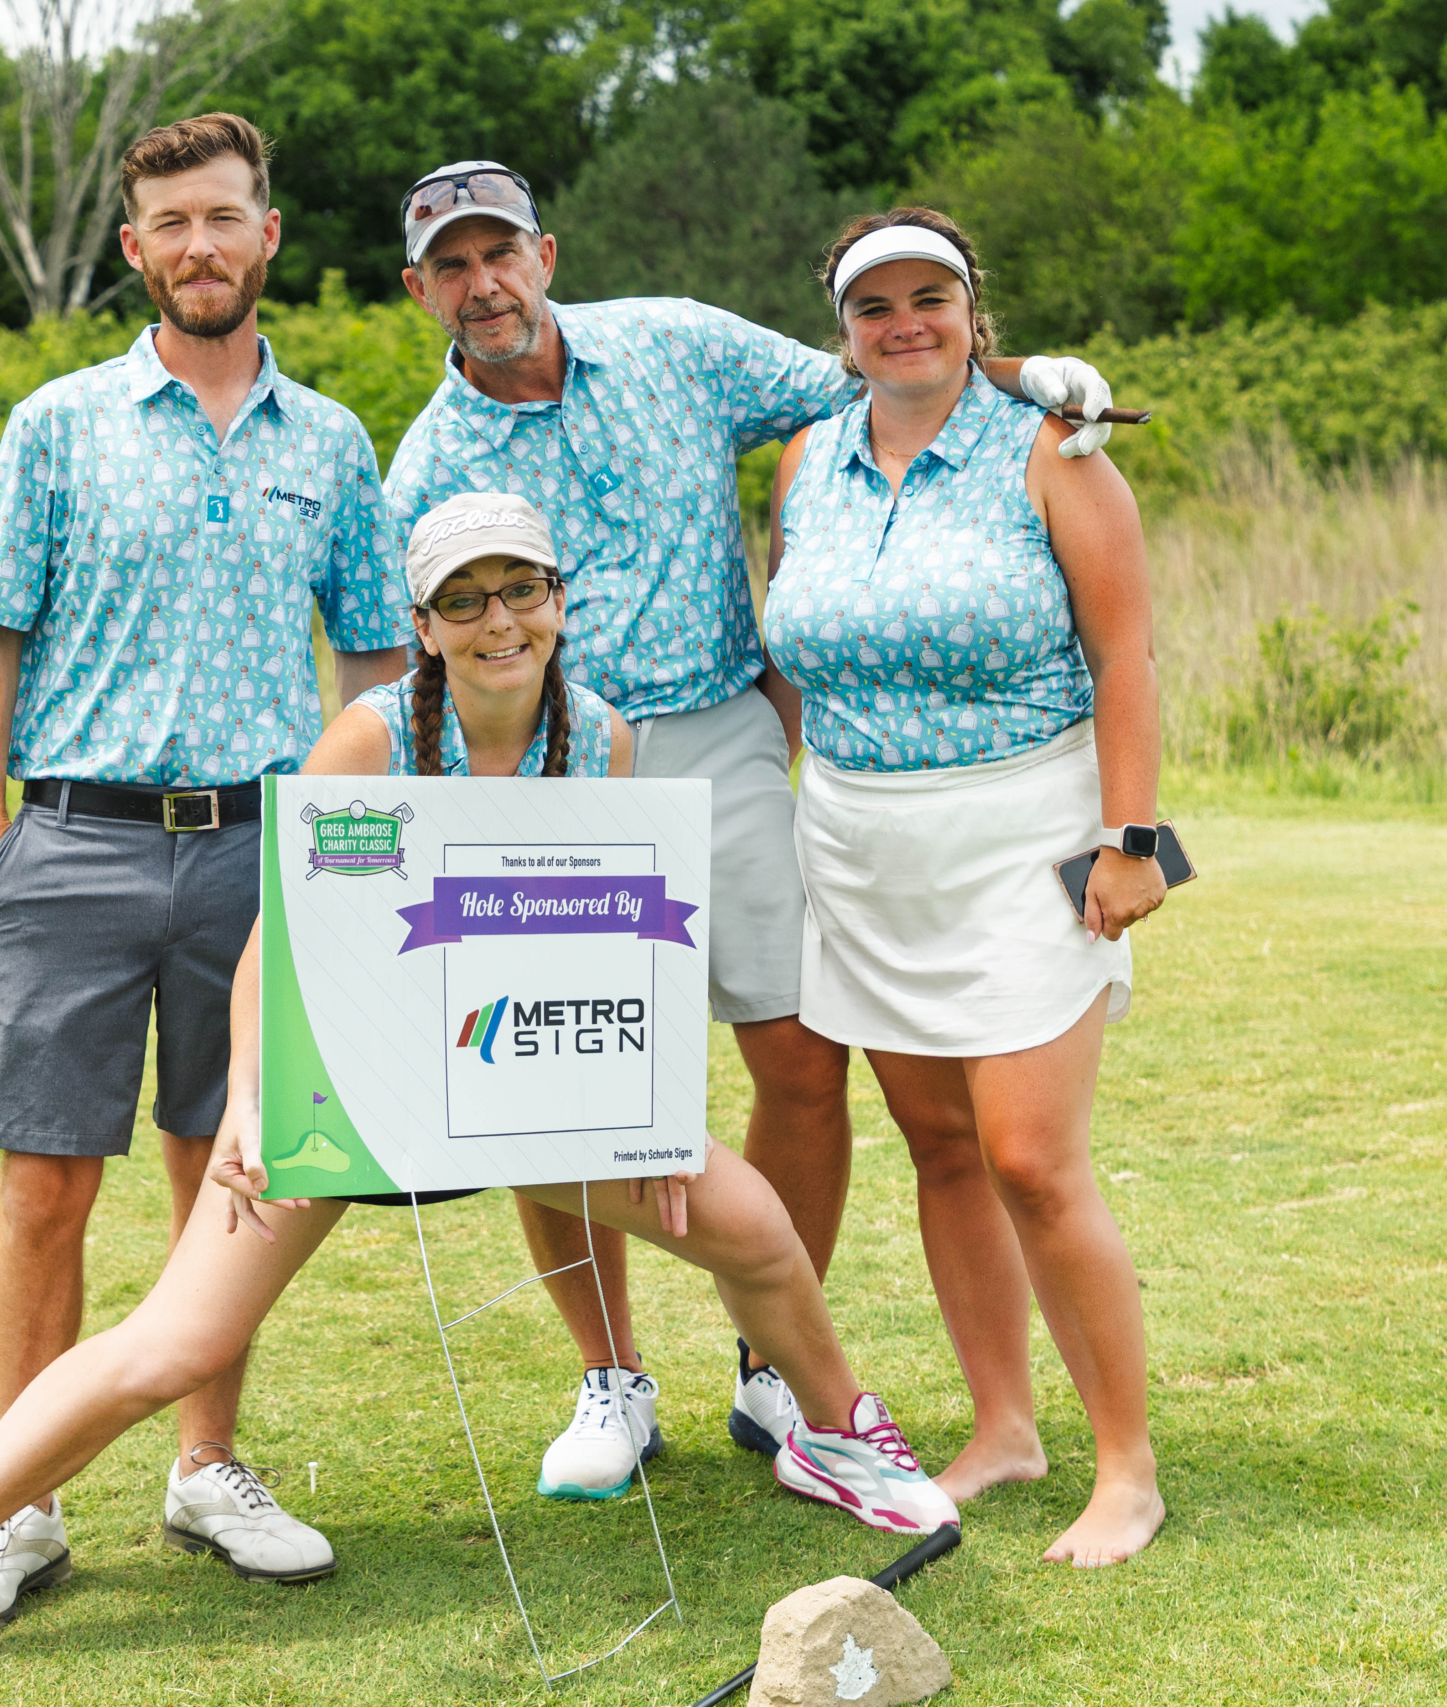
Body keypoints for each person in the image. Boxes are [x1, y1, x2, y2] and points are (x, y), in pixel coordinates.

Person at [0, 493, 960, 1705]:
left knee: (754, 1230)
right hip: (348, 1087)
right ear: (423, 625)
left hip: (511, 1087)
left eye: (519, 589)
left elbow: (618, 943)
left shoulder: (602, 738)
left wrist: (645, 1113)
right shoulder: (368, 741)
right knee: (176, 1343)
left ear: (558, 599)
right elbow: (275, 941)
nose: (497, 621)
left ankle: (833, 1435)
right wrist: (250, 1101)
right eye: (462, 601)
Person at [382, 159, 1124, 1502]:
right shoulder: (429, 457)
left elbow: (880, 371)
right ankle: (611, 1375)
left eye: (500, 253)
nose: (483, 284)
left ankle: (770, 1361)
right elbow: (426, 648)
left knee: (799, 1053)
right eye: (451, 266)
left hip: (721, 735)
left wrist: (1024, 378)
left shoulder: (676, 344)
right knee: (553, 1084)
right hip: (552, 764)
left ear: (545, 254)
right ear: (418, 288)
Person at [0, 112, 409, 1634]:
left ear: (269, 234)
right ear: (135, 248)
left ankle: (209, 1466)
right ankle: (16, 1509)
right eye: (172, 224)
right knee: (45, 1188)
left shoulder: (330, 440)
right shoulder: (57, 422)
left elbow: (377, 657)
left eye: (224, 216)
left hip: (262, 849)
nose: (200, 245)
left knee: (231, 1176)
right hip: (71, 842)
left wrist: (368, 847)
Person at [760, 207, 1170, 1568]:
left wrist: (1135, 839)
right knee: (937, 1145)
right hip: (861, 844)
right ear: (844, 330)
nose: (904, 325)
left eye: (928, 297)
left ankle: (1127, 1468)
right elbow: (798, 647)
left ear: (970, 308)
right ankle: (1004, 1427)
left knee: (1030, 1159)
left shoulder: (1056, 449)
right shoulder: (810, 458)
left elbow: (1125, 656)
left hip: (1025, 832)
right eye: (874, 307)